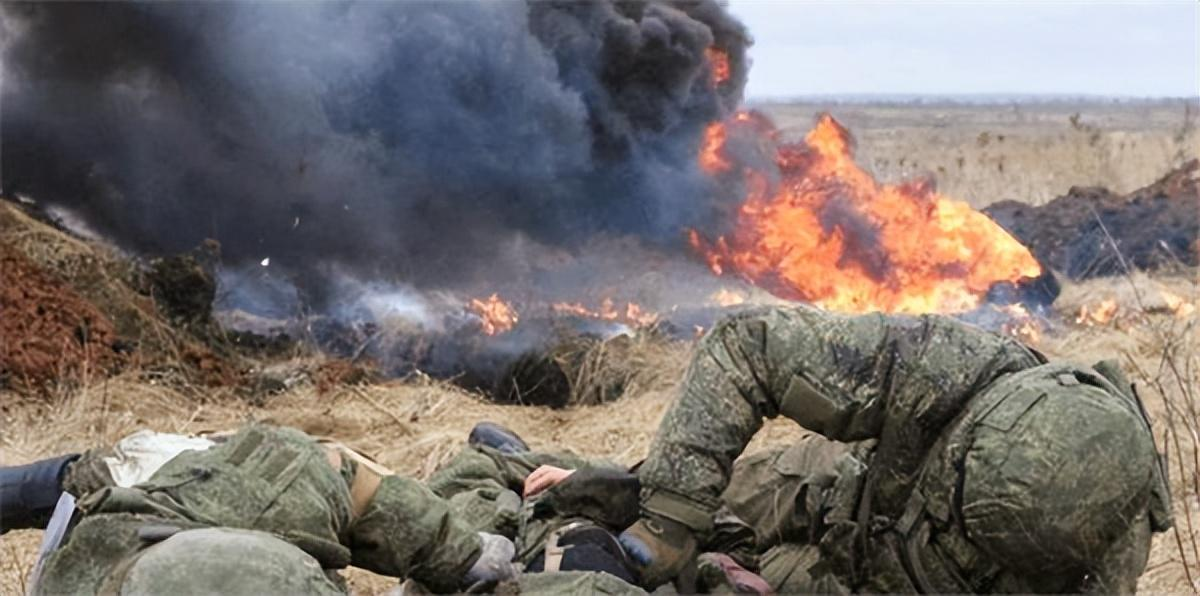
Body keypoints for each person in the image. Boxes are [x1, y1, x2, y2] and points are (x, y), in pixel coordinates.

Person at [620, 305, 1173, 593]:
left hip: (892, 583)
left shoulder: (1103, 556)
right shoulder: (946, 368)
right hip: (842, 488)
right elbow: (747, 348)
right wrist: (668, 524)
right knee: (624, 510)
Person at [3, 424, 516, 594]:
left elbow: (385, 502)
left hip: (207, 501)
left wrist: (468, 556)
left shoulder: (281, 479)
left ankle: (503, 466)